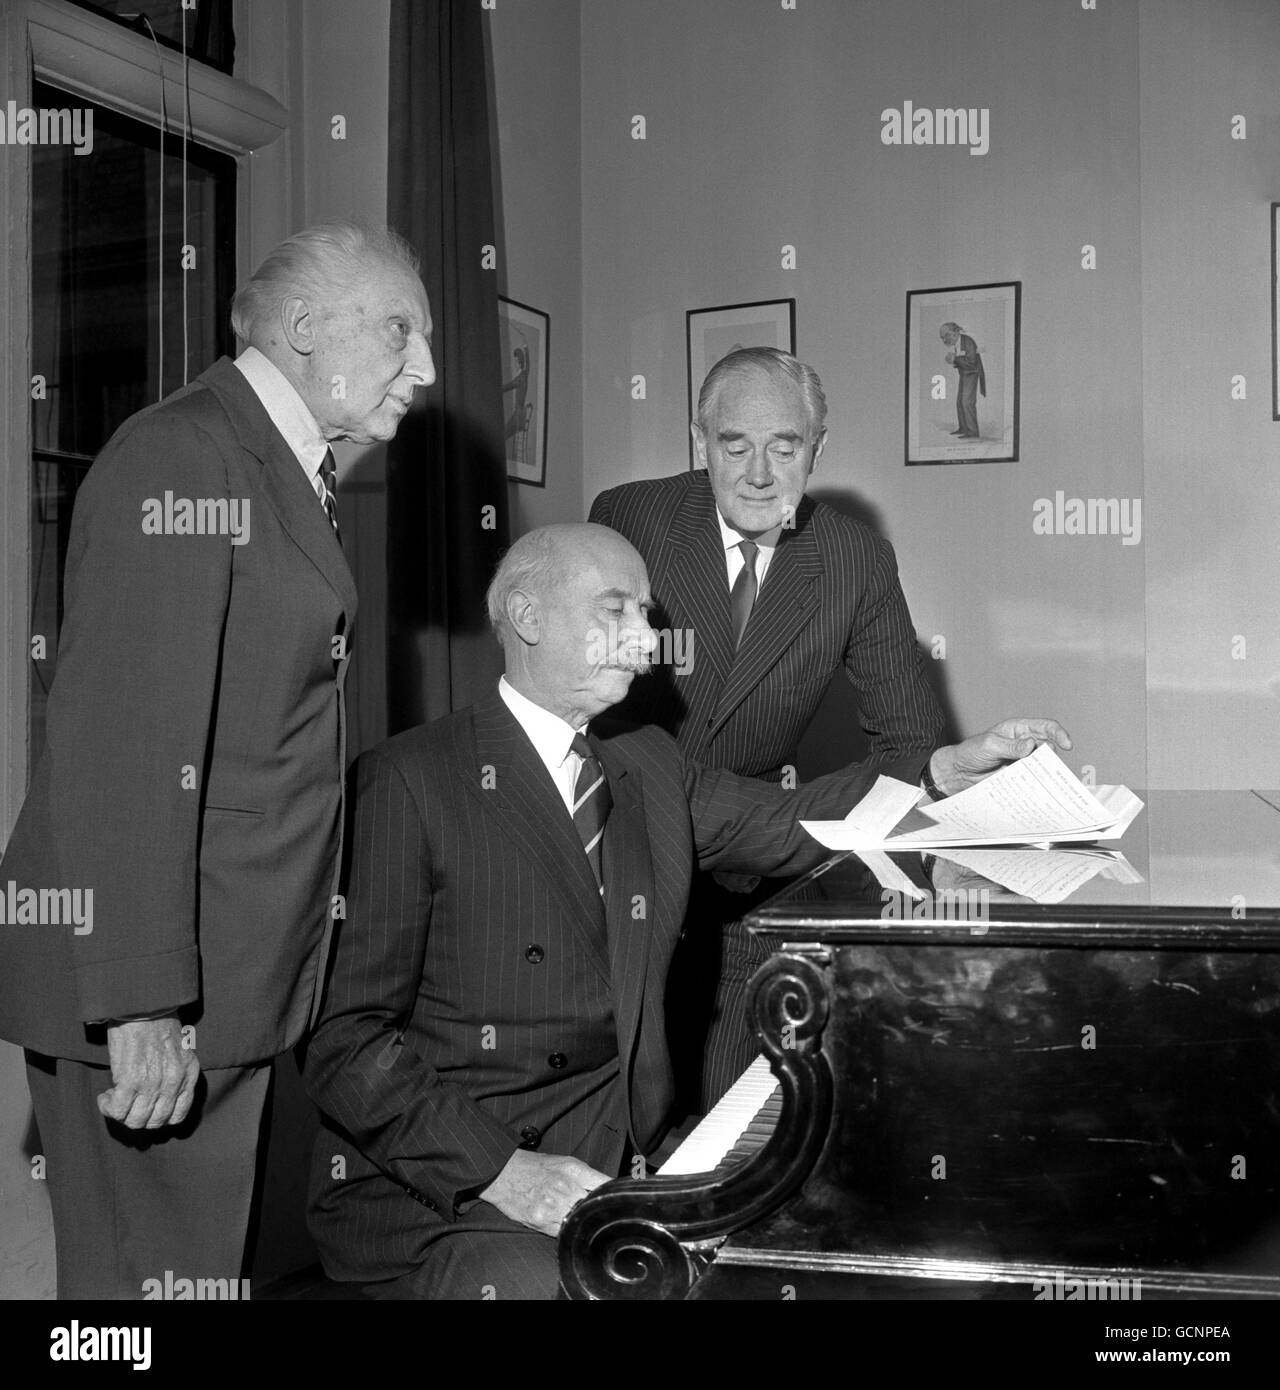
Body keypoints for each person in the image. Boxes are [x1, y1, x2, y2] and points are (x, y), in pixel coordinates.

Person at [301, 522, 1069, 1300]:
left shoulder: (646, 762)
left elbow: (795, 823)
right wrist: (505, 1172)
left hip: (627, 1167)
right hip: (453, 1196)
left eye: (647, 615)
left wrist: (939, 776)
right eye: (617, 612)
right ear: (529, 619)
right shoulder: (410, 780)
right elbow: (343, 1037)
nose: (646, 642)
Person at [0, 221, 435, 1298]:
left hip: (229, 983)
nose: (423, 369)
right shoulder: (184, 456)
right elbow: (120, 750)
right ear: (301, 328)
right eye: (397, 331)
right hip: (156, 998)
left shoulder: (277, 466)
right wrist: (141, 1005)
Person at [591, 346, 1031, 1112]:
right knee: (621, 1120)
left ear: (816, 450)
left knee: (739, 1125)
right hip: (621, 864)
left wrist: (931, 849)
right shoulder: (628, 519)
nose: (759, 473)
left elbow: (908, 743)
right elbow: (589, 719)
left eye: (784, 446)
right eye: (735, 444)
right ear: (701, 443)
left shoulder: (855, 559)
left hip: (750, 879)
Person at [940, 322, 985, 439]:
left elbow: (971, 363)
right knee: (960, 402)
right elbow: (962, 360)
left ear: (955, 332)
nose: (945, 340)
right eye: (943, 337)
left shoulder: (968, 341)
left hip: (971, 374)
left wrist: (955, 359)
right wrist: (954, 361)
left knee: (967, 403)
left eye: (946, 336)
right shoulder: (958, 343)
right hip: (964, 374)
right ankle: (964, 428)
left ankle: (973, 432)